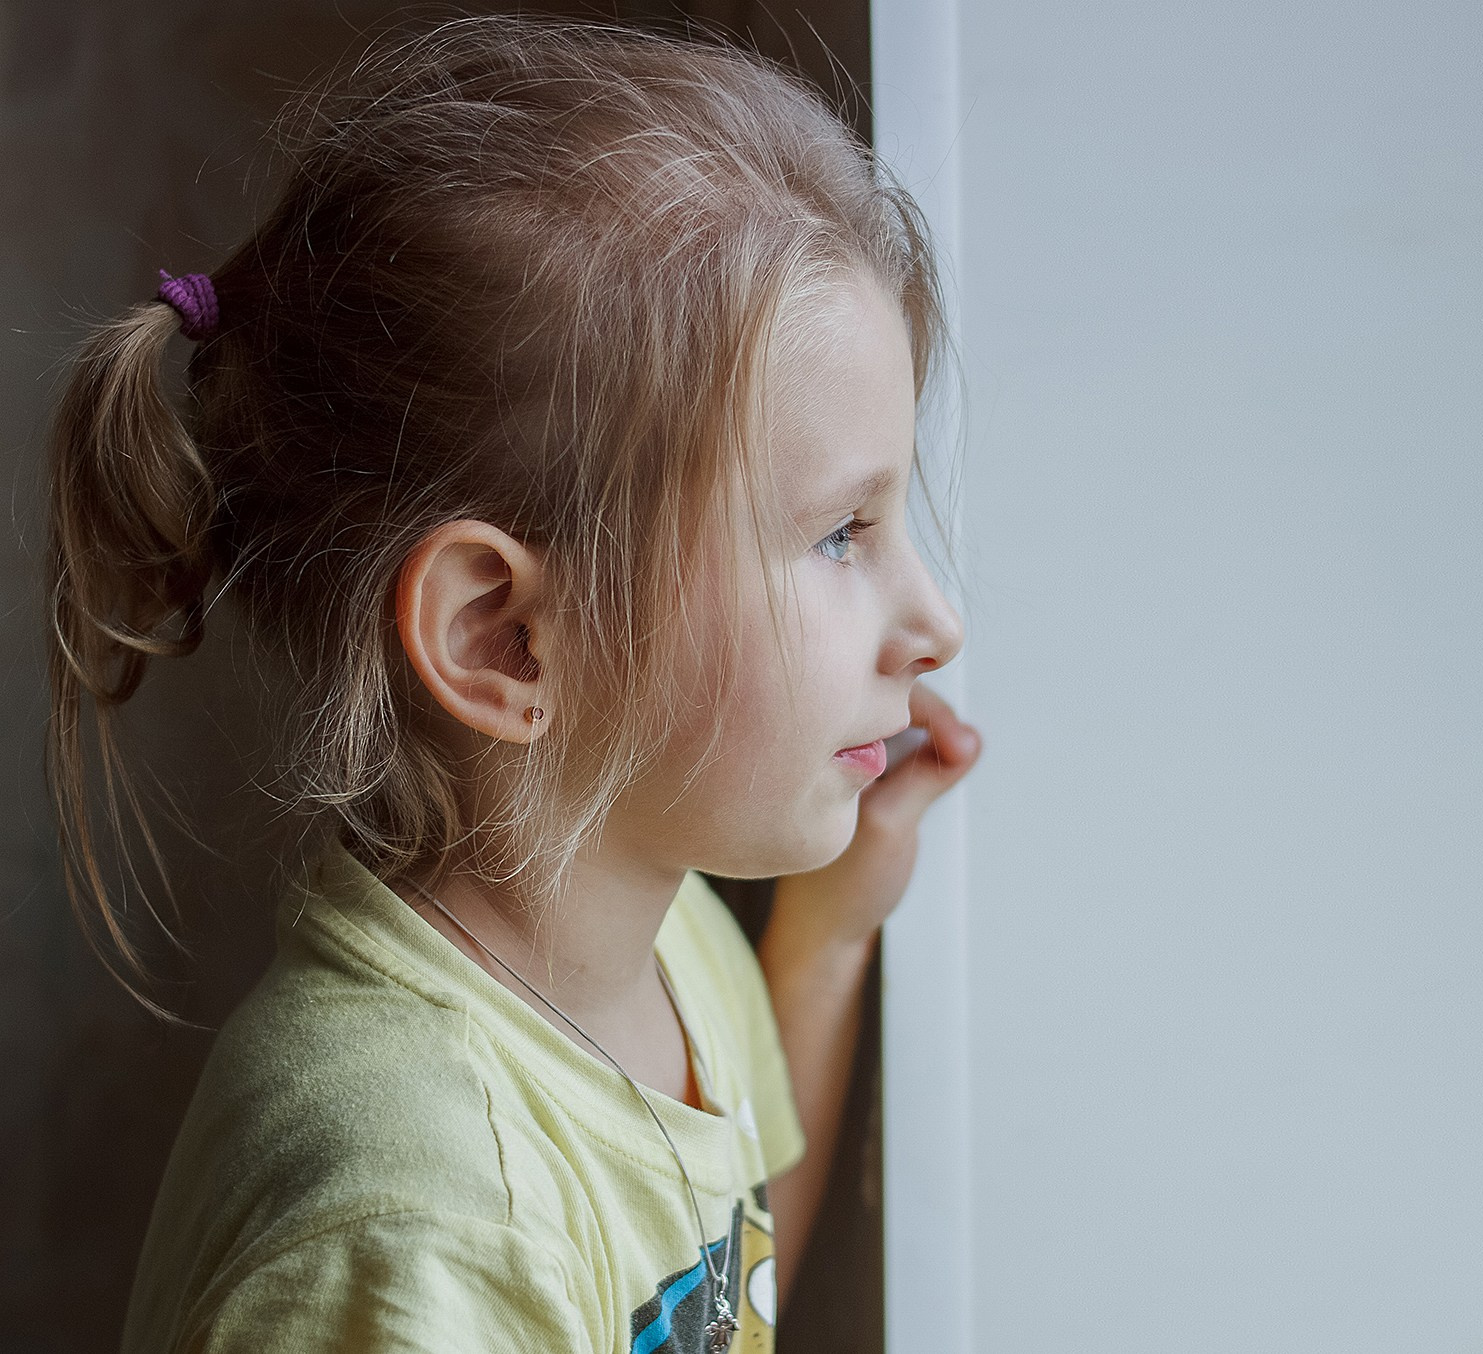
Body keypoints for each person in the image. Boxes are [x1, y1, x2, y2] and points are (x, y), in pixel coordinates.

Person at [41, 15, 978, 1353]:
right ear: (502, 638)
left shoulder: (657, 931)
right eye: (840, 532)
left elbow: (724, 1292)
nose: (935, 622)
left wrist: (821, 937)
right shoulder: (417, 1227)